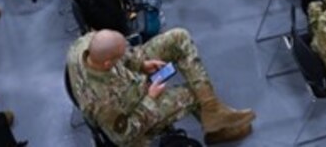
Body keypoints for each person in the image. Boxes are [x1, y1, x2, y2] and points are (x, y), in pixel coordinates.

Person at [67, 28, 256, 146]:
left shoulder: (86, 43)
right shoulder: (102, 103)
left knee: (178, 38)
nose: (125, 54)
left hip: (126, 81)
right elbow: (122, 137)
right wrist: (150, 98)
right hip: (129, 117)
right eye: (119, 55)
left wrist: (140, 64)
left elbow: (121, 56)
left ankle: (212, 109)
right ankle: (216, 131)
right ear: (108, 64)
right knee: (190, 94)